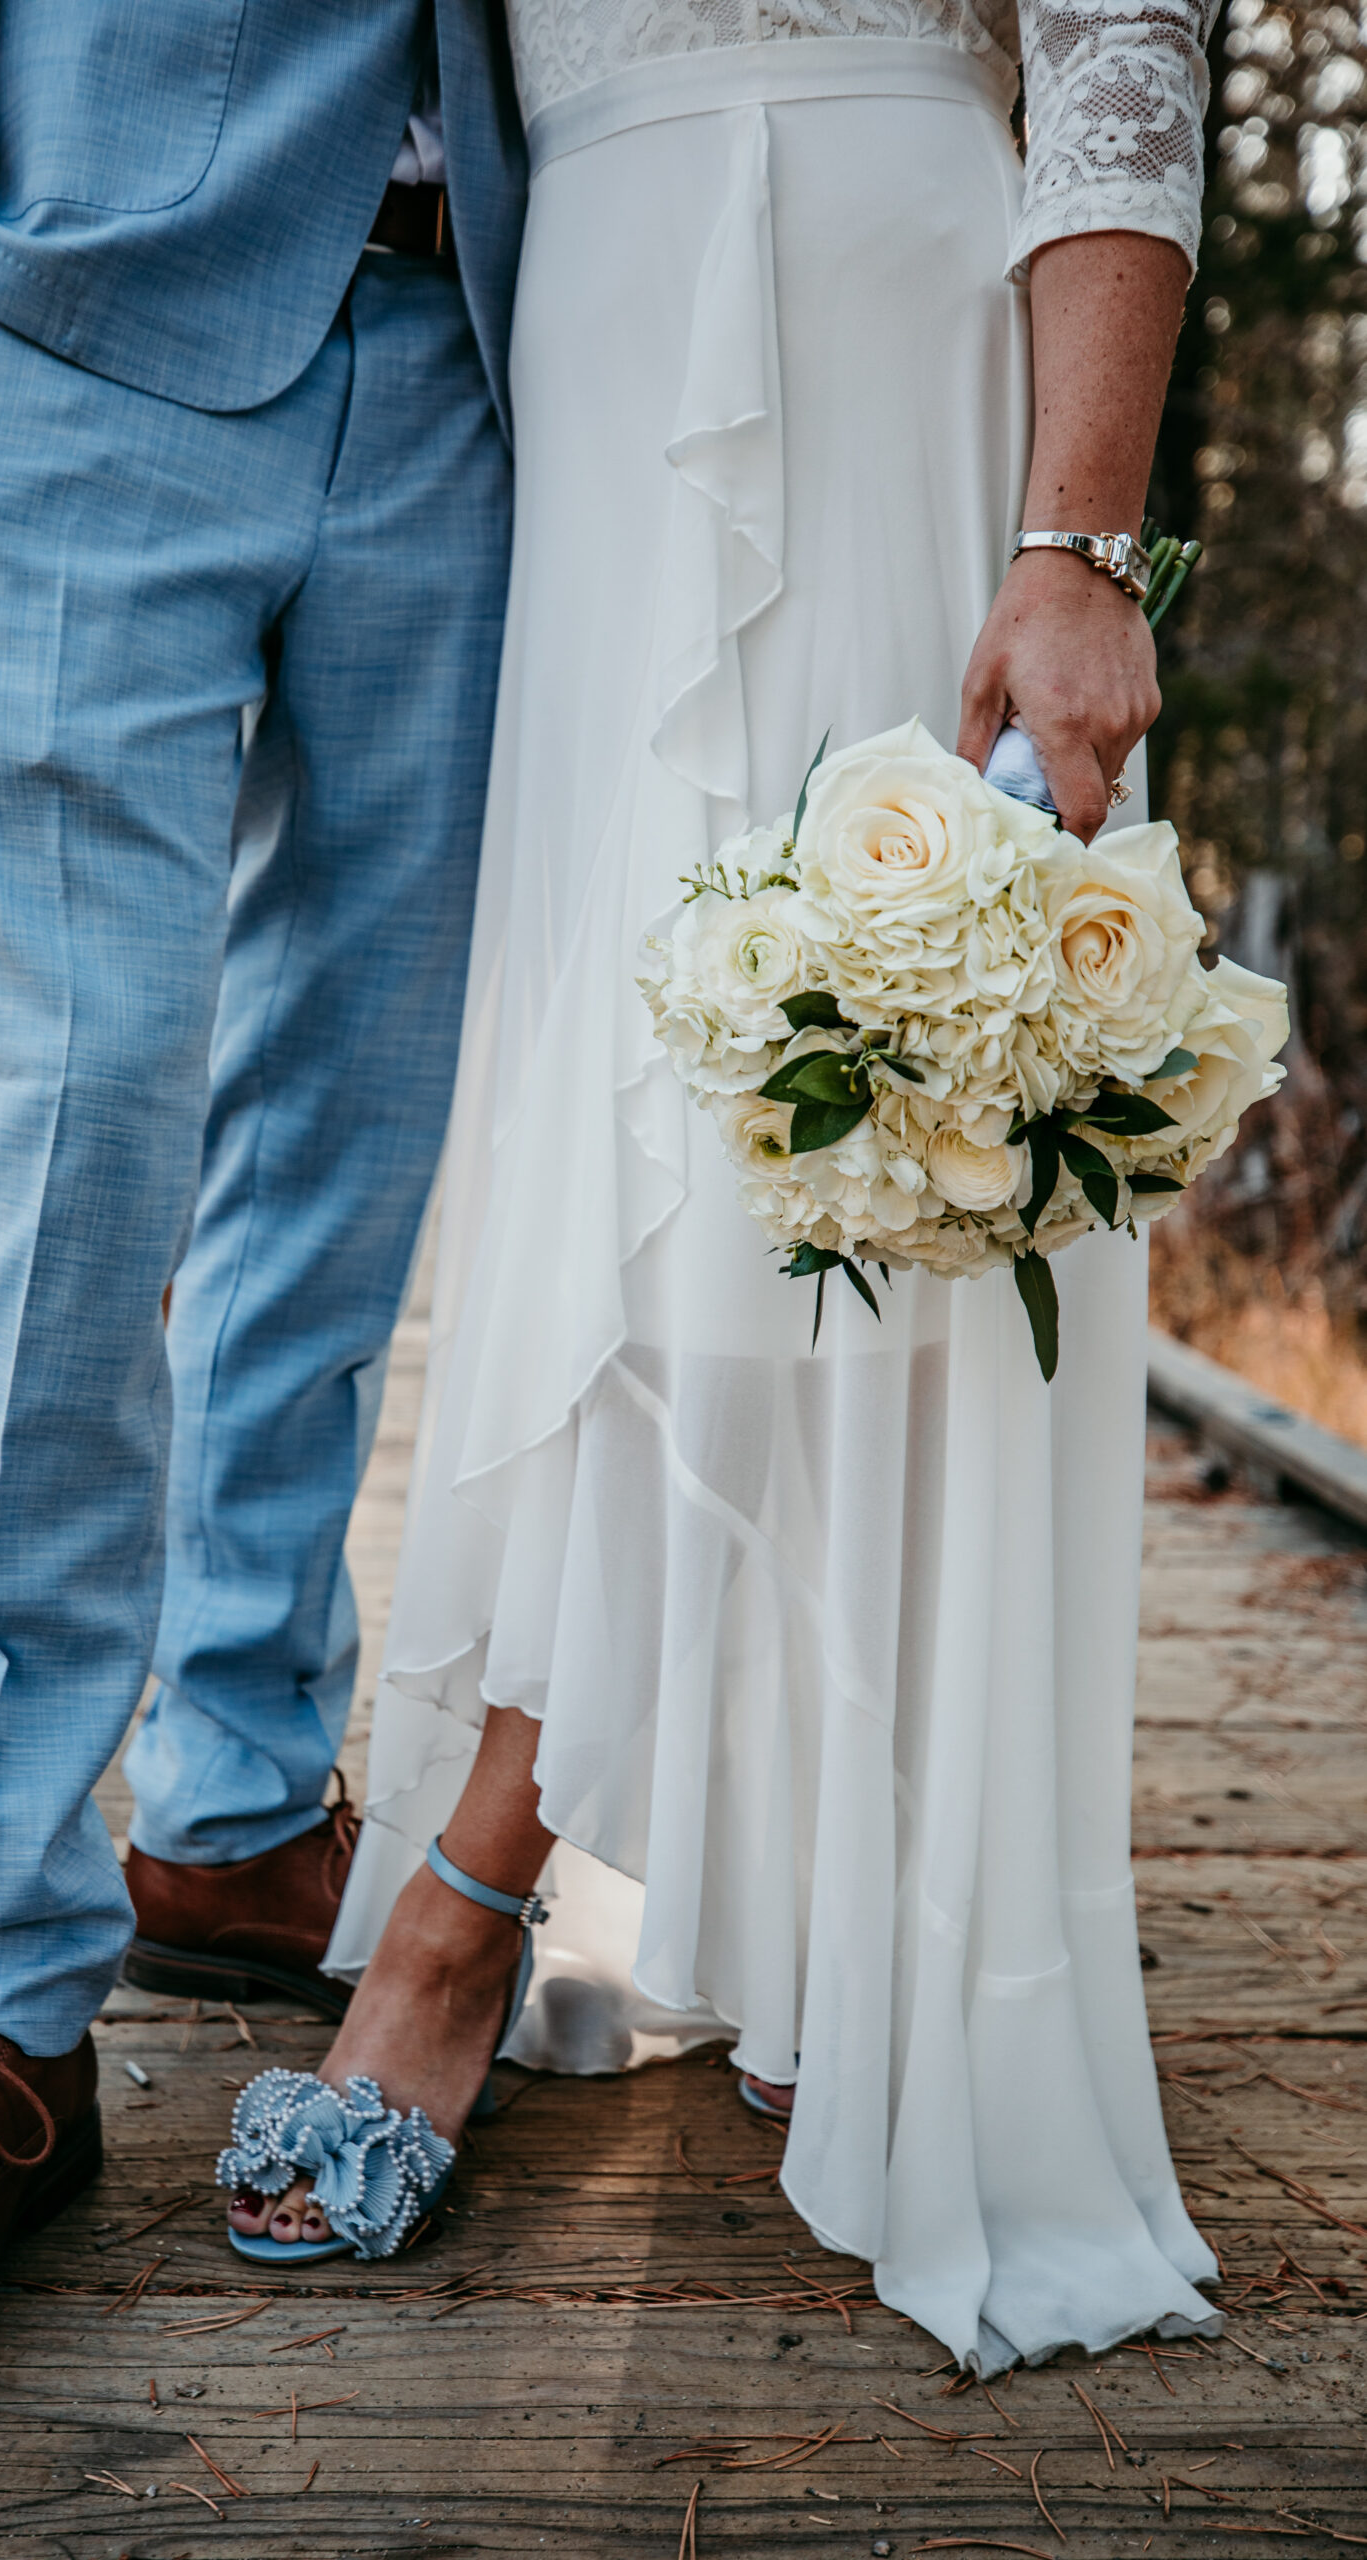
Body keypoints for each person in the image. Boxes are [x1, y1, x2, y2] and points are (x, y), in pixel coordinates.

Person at [218, 0, 1228, 2376]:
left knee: (837, 1114)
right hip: (585, 324)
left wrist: (1074, 536)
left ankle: (475, 1905)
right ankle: (789, 1902)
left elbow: (1116, 41)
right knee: (628, 1102)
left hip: (882, 314)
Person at [0, 0, 525, 2464]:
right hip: (67, 350)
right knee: (80, 1146)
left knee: (349, 1138)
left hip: (483, 374)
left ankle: (241, 1798)